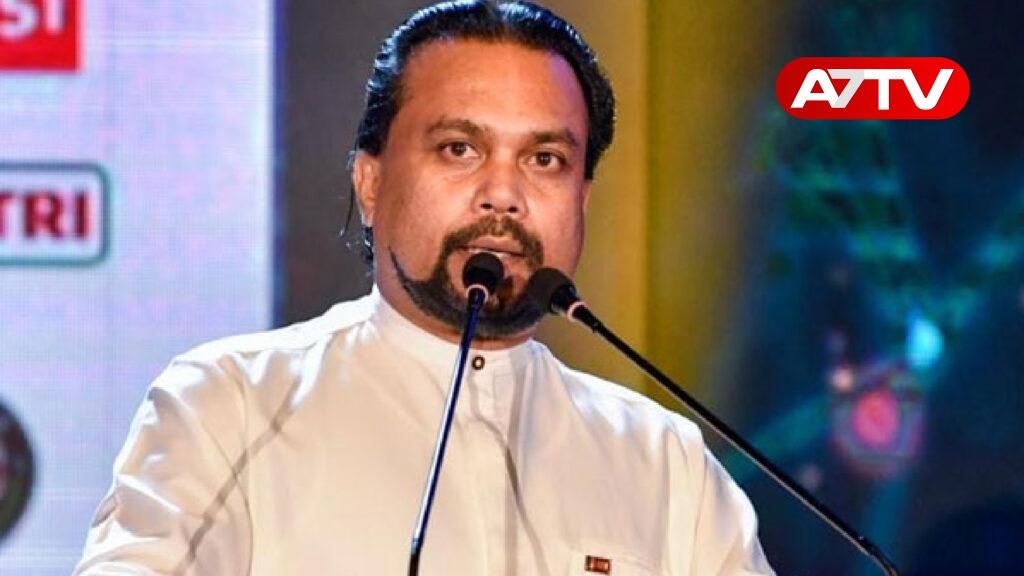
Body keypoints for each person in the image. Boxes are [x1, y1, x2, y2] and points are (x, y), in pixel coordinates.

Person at [75, 2, 775, 574]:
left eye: (544, 159)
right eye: (459, 149)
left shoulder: (664, 460)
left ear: (582, 200)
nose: (503, 194)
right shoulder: (229, 407)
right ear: (370, 182)